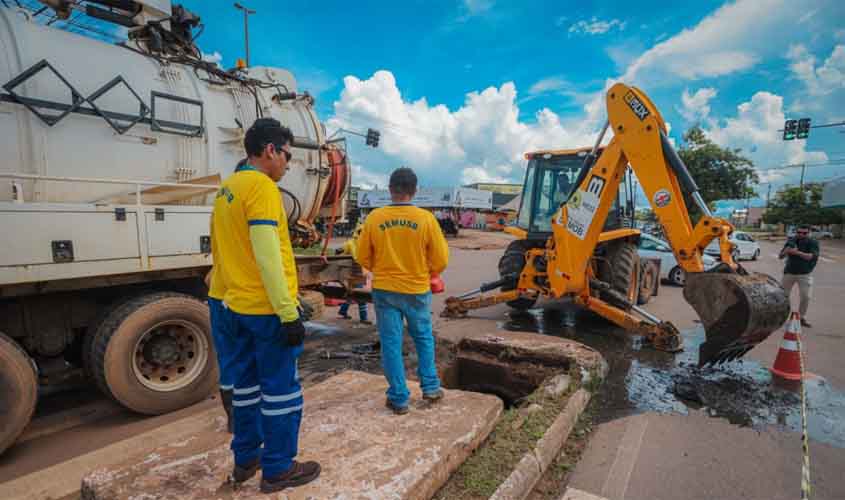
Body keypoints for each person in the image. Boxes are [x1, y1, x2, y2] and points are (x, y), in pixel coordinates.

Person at [210, 118, 320, 493]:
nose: (289, 165)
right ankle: (278, 468)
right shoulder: (262, 188)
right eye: (288, 155)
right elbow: (267, 255)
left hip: (234, 306)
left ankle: (246, 459)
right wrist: (289, 312)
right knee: (281, 392)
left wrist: (223, 304)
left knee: (245, 389)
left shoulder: (228, 188)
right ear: (271, 150)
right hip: (265, 311)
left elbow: (223, 254)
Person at [355, 167, 449, 415]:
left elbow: (362, 255)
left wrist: (380, 266)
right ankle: (430, 387)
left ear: (390, 190)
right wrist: (426, 270)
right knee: (423, 338)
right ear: (414, 190)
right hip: (417, 289)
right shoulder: (426, 219)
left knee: (391, 344)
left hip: (385, 290)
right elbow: (440, 260)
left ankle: (399, 398)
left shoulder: (375, 218)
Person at [779, 224, 819, 328]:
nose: (801, 235)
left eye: (804, 233)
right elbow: (780, 256)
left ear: (809, 233)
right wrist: (786, 251)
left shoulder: (812, 242)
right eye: (799, 232)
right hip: (789, 272)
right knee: (782, 296)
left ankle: (801, 318)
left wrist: (796, 253)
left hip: (805, 274)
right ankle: (780, 317)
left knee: (806, 297)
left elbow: (810, 256)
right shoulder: (792, 240)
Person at [336, 223, 371, 324]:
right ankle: (363, 318)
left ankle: (343, 311)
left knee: (352, 293)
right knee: (360, 295)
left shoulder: (354, 242)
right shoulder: (358, 243)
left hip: (357, 271)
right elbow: (339, 252)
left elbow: (339, 251)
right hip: (355, 271)